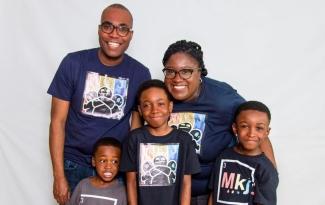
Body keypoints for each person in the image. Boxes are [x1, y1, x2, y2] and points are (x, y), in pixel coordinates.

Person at [47, 3, 151, 204]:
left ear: (130, 34)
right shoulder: (73, 63)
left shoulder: (140, 74)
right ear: (99, 29)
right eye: (107, 26)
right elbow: (57, 122)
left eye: (122, 28)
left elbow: (136, 129)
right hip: (73, 163)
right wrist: (58, 176)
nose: (114, 34)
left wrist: (130, 175)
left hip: (116, 167)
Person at [160, 40, 277, 205]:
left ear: (200, 73)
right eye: (170, 72)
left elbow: (255, 125)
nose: (177, 79)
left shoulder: (222, 98)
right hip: (167, 191)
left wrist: (270, 176)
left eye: (186, 71)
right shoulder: (159, 97)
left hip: (213, 194)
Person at [120, 79, 201, 205]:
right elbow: (131, 182)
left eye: (161, 104)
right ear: (140, 110)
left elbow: (186, 183)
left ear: (170, 106)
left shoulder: (184, 140)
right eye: (147, 105)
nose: (154, 110)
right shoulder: (134, 139)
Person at [208, 101, 279, 205]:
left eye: (259, 128)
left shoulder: (266, 169)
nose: (251, 134)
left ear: (267, 132)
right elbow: (213, 194)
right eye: (245, 126)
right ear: (235, 128)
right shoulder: (223, 157)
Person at [68, 137, 127, 205]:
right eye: (103, 161)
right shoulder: (83, 185)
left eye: (114, 161)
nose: (108, 166)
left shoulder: (122, 191)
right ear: (94, 161)